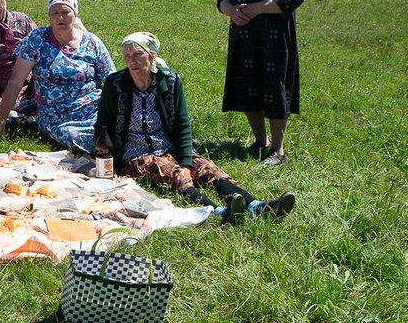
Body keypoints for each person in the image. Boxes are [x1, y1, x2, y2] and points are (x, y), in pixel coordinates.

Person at [95, 32, 294, 222]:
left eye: (138, 54)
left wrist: (186, 161)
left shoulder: (170, 80)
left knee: (207, 169)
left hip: (167, 146)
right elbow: (103, 124)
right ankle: (219, 211)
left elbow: (182, 123)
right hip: (134, 153)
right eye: (127, 56)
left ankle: (258, 206)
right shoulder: (115, 84)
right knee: (172, 172)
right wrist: (107, 160)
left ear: (151, 55)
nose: (132, 61)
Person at [217, 0, 305, 166]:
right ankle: (260, 142)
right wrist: (231, 11)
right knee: (247, 84)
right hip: (243, 34)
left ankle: (278, 150)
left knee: (274, 85)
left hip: (274, 36)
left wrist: (258, 9)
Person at [0, 0, 115, 155]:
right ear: (49, 16)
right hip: (56, 116)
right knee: (88, 140)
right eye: (55, 13)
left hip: (93, 112)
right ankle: (107, 155)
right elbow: (16, 81)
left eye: (65, 12)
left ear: (75, 14)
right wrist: (1, 120)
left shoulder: (92, 42)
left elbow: (113, 81)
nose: (60, 17)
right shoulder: (37, 39)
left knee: (115, 133)